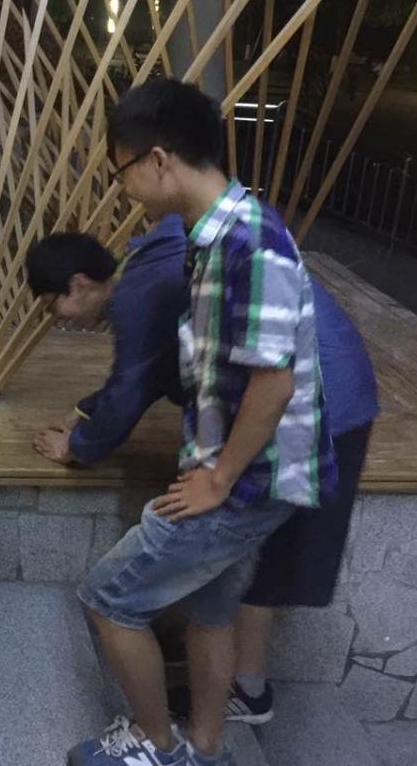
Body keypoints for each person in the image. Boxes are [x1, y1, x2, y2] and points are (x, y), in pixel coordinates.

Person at [63, 78, 336, 766]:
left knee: (108, 597)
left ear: (158, 159)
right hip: (230, 467)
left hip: (247, 481)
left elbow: (274, 382)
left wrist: (218, 479)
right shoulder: (210, 234)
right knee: (212, 609)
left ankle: (153, 742)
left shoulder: (252, 243)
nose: (123, 188)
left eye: (121, 170)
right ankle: (206, 750)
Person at [25, 217, 377, 727]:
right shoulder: (157, 256)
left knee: (116, 598)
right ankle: (238, 698)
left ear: (78, 285)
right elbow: (146, 371)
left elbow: (133, 389)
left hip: (314, 408)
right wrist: (85, 412)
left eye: (51, 305)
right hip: (327, 392)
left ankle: (194, 720)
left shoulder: (145, 290)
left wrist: (78, 447)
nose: (55, 318)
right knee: (238, 579)